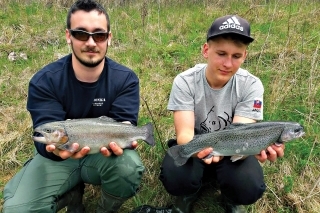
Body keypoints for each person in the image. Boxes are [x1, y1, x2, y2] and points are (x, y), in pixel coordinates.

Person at [2, 0, 145, 212]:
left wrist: (130, 133)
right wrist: (55, 151)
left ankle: (105, 210)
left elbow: (125, 122)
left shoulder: (125, 79)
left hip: (102, 155)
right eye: (81, 34)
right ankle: (70, 195)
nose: (91, 42)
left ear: (109, 38)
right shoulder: (45, 80)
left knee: (129, 167)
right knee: (18, 209)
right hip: (58, 157)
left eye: (99, 35)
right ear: (68, 36)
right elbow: (43, 132)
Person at [158, 15, 285, 213]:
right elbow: (184, 134)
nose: (228, 63)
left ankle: (231, 196)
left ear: (244, 56)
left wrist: (254, 148)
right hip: (196, 143)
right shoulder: (185, 81)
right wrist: (200, 150)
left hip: (232, 148)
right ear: (206, 50)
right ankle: (190, 191)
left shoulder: (251, 85)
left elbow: (240, 134)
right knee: (176, 177)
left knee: (249, 187)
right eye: (221, 53)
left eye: (236, 56)